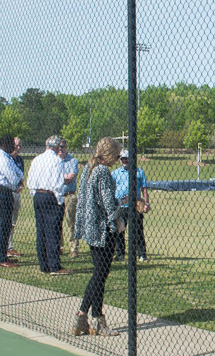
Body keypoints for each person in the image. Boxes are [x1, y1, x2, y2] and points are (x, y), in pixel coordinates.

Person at [72, 137, 125, 336]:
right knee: (100, 275)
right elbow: (107, 203)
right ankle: (96, 319)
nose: (117, 159)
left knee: (99, 273)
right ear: (109, 154)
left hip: (90, 227)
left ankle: (83, 316)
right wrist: (119, 207)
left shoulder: (88, 168)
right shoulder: (102, 171)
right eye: (117, 155)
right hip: (103, 230)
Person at [27, 135, 70, 275]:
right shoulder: (57, 161)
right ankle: (54, 266)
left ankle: (43, 264)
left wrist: (34, 193)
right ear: (57, 147)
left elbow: (30, 180)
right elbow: (58, 184)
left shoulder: (36, 160)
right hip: (51, 196)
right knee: (53, 232)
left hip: (38, 195)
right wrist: (59, 201)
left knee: (41, 231)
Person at [0, 134, 23, 268]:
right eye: (12, 145)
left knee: (7, 225)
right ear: (5, 145)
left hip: (7, 193)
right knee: (3, 226)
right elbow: (14, 179)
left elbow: (20, 173)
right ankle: (0, 257)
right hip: (1, 193)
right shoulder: (3, 158)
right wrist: (18, 180)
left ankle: (3, 254)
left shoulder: (8, 157)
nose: (14, 147)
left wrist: (19, 178)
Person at [112, 149, 150, 262]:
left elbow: (144, 189)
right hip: (120, 205)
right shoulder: (115, 173)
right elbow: (111, 188)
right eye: (122, 159)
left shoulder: (138, 172)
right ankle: (120, 254)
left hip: (135, 205)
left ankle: (141, 254)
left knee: (138, 230)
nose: (125, 160)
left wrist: (146, 203)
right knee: (119, 230)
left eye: (127, 158)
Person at [59, 141, 80, 258]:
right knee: (57, 222)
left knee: (71, 222)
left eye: (62, 147)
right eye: (58, 147)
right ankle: (60, 247)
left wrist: (57, 178)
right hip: (57, 195)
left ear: (66, 147)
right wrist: (64, 178)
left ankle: (73, 248)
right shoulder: (54, 161)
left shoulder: (72, 160)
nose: (60, 149)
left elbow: (71, 178)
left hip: (70, 195)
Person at [6, 137, 24, 259]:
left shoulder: (19, 160)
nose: (18, 148)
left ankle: (10, 246)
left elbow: (21, 176)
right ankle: (6, 247)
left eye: (19, 146)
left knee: (13, 221)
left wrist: (21, 185)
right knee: (6, 221)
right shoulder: (6, 159)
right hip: (8, 192)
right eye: (16, 145)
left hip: (17, 193)